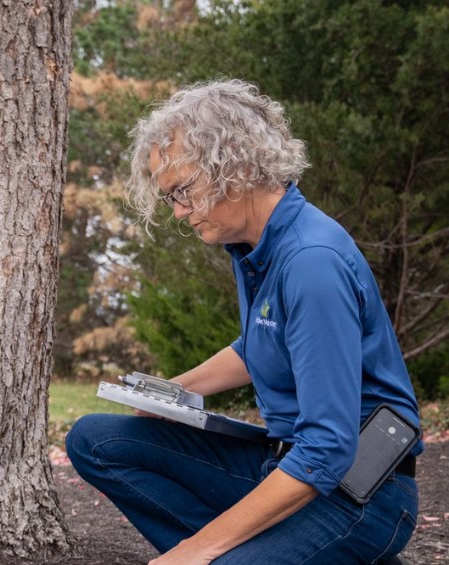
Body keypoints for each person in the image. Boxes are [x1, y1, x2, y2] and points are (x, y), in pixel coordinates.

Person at [65, 79, 423, 564]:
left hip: (358, 495)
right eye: (171, 197)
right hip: (283, 464)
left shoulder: (311, 263)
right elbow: (262, 345)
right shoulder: (253, 247)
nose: (178, 211)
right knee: (96, 439)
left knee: (207, 558)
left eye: (183, 190)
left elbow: (325, 451)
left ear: (234, 164)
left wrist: (195, 549)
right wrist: (169, 393)